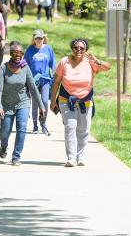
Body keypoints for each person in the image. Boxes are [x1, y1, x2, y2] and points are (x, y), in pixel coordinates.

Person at [50, 38, 111, 167]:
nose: (78, 50)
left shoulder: (90, 62)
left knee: (84, 129)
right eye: (76, 48)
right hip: (66, 100)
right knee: (70, 126)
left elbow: (108, 67)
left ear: (86, 50)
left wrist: (96, 60)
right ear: (72, 49)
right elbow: (56, 82)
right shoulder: (64, 62)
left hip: (86, 101)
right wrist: (52, 101)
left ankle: (80, 156)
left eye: (82, 48)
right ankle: (71, 157)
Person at [0, 41, 45, 166]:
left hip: (23, 103)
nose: (18, 54)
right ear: (11, 54)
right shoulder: (3, 68)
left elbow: (33, 88)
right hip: (7, 104)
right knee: (5, 131)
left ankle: (16, 156)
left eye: (20, 53)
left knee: (22, 129)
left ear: (23, 54)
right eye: (15, 52)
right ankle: (4, 145)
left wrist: (41, 106)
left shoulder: (25, 68)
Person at [24, 29, 56, 136]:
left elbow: (53, 63)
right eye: (37, 38)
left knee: (45, 101)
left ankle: (43, 123)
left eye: (41, 38)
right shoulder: (30, 50)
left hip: (46, 79)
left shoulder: (48, 48)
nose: (39, 40)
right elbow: (25, 64)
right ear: (34, 39)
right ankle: (35, 125)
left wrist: (55, 76)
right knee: (35, 102)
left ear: (44, 38)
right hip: (34, 80)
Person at [0, 0, 10, 65]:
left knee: (1, 48)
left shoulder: (3, 10)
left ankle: (0, 63)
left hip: (2, 30)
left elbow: (4, 24)